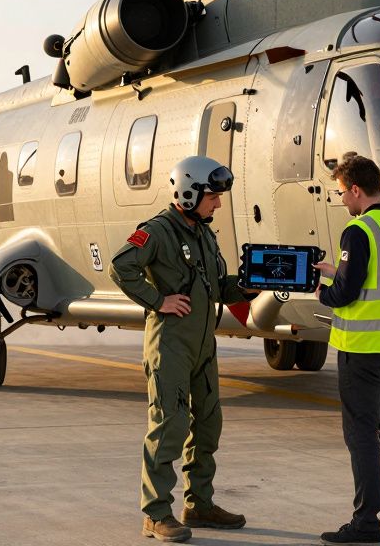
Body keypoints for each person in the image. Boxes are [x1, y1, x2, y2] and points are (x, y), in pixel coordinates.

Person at [109, 155, 256, 543]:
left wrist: (247, 287)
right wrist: (158, 301)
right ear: (189, 192)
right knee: (169, 425)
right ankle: (156, 514)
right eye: (212, 197)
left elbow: (216, 284)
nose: (218, 204)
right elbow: (121, 266)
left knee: (208, 425)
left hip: (203, 345)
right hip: (171, 346)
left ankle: (199, 504)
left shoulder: (204, 233)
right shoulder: (157, 231)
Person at [313, 154, 380, 545]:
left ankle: (366, 523)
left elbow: (345, 294)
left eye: (341, 193)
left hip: (361, 346)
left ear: (356, 190)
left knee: (361, 433)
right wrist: (335, 269)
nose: (341, 200)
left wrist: (323, 290)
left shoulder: (358, 231)